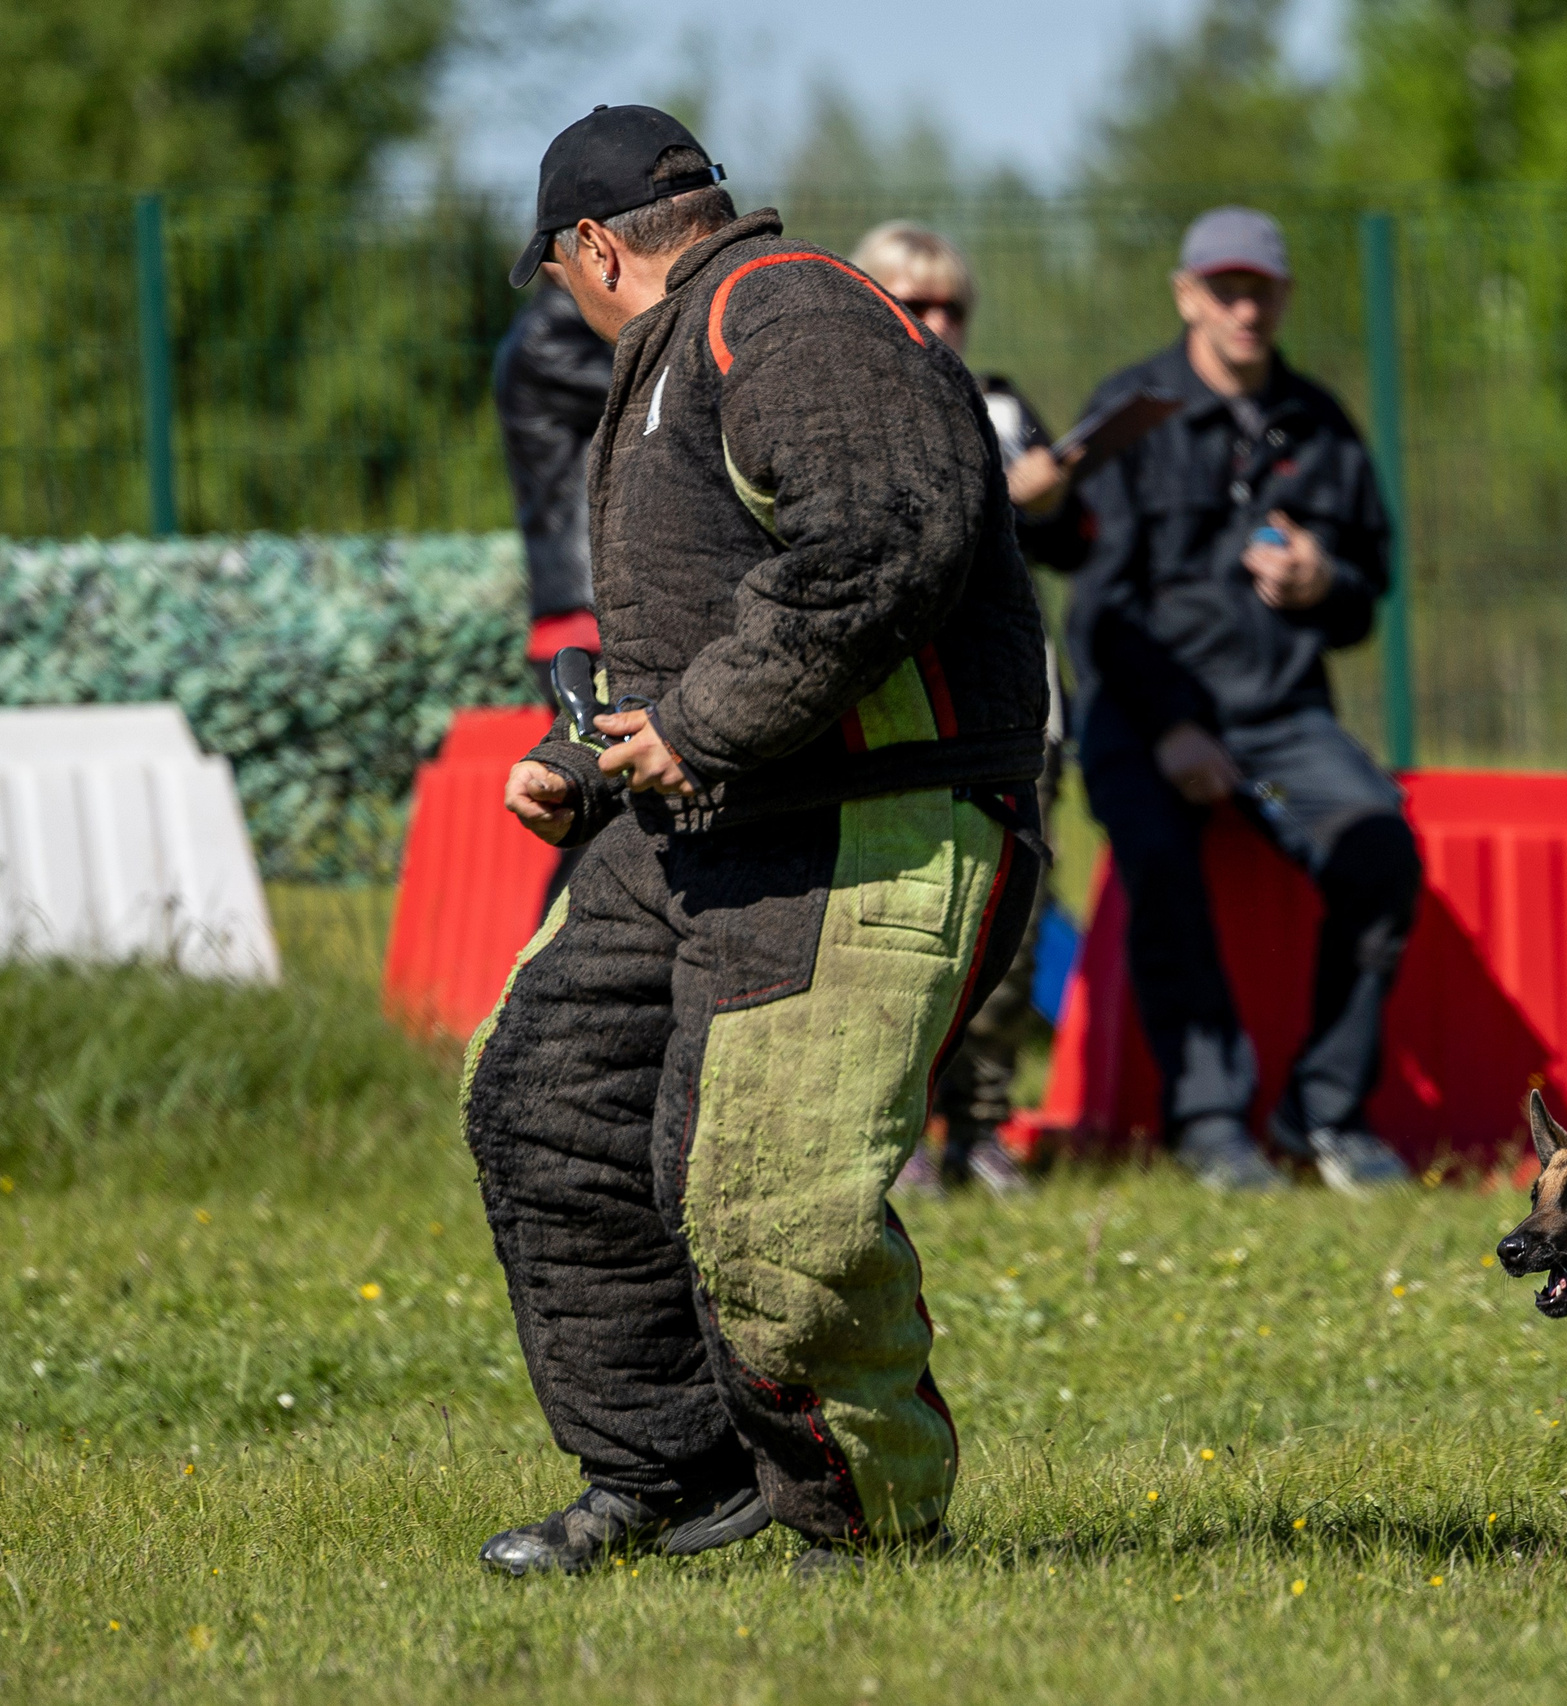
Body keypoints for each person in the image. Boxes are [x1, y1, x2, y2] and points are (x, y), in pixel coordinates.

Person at [462, 105, 1049, 1580]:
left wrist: (706, 716)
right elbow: (697, 618)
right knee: (546, 1102)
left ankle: (860, 1515)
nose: (570, 306)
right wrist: (583, 754)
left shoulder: (788, 313)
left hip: (870, 819)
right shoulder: (681, 357)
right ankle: (667, 1464)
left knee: (760, 1190)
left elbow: (882, 533)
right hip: (697, 818)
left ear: (596, 246)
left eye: (563, 276)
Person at [1068, 206, 1419, 1195]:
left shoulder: (1319, 424)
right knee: (1164, 869)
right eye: (1223, 288)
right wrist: (1173, 726)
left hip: (1277, 725)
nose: (1242, 306)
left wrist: (1323, 579)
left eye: (1259, 288)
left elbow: (1366, 592)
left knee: (1377, 850)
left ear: (1282, 297)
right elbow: (1092, 609)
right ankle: (1211, 1120)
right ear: (1186, 295)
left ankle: (1325, 1112)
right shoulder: (1129, 411)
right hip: (1143, 713)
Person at [850, 221, 1084, 1198]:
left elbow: (1073, 543)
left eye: (951, 303)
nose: (935, 319)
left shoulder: (1000, 403)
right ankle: (895, 1124)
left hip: (1016, 700)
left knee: (1011, 920)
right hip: (901, 701)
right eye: (914, 298)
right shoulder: (843, 405)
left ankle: (982, 1124)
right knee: (901, 919)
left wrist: (1053, 497)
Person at [491, 280, 612, 687]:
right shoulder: (548, 335)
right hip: (586, 613)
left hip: (589, 611)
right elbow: (656, 391)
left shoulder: (559, 331)